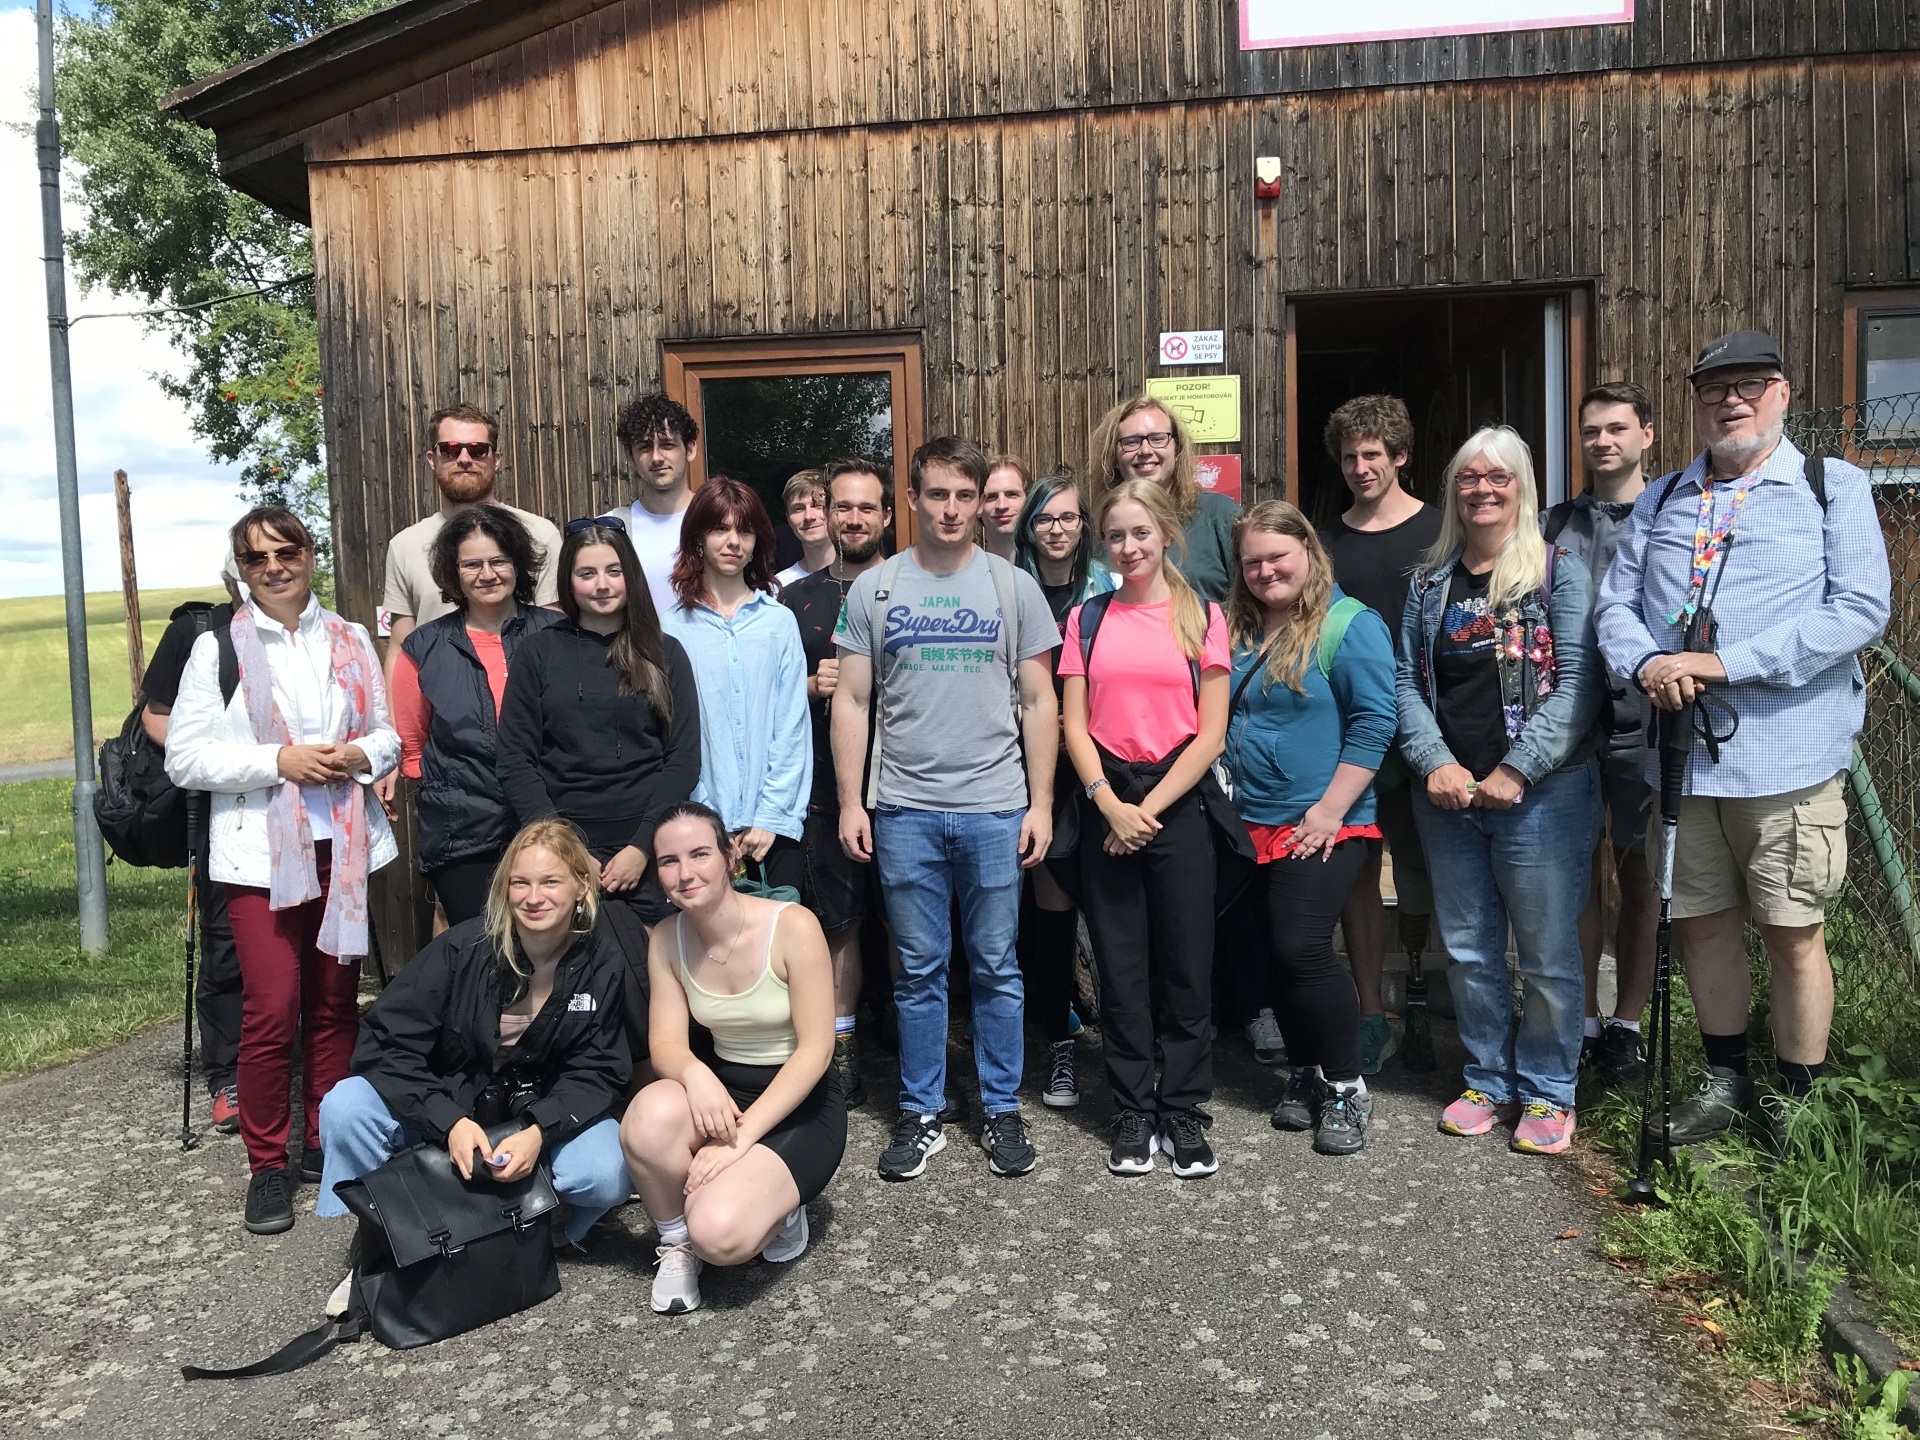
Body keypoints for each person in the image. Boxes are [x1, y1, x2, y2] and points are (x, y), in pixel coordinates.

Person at [1598, 329, 1892, 1140]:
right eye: (1713, 388)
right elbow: (1615, 605)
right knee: (1702, 924)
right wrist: (1651, 664)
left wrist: (1724, 664)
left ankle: (1799, 1103)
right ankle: (1726, 1082)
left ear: (1783, 393)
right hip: (1681, 760)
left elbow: (1860, 609)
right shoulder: (1663, 498)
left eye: (1750, 384)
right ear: (1694, 401)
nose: (1730, 400)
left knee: (1792, 932)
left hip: (1785, 760)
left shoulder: (1832, 486)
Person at [164, 506, 402, 1233]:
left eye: (285, 551)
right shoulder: (218, 649)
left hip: (343, 847)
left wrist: (361, 755)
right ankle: (267, 1165)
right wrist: (279, 761)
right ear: (240, 567)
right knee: (272, 1010)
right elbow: (185, 758)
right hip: (258, 859)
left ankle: (323, 1141)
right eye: (255, 557)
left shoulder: (350, 637)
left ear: (309, 555)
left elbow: (387, 734)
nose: (272, 567)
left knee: (334, 1005)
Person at [831, 435, 1059, 1182]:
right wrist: (852, 802)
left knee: (996, 966)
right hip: (904, 810)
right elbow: (853, 701)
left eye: (966, 495)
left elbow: (1040, 701)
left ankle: (1001, 1108)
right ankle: (921, 1110)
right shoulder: (876, 589)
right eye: (938, 494)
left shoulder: (1012, 587)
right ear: (913, 500)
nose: (953, 509)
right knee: (918, 972)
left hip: (996, 808)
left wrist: (1042, 803)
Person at [315, 818, 633, 1311]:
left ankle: (539, 1225)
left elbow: (600, 1069)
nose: (534, 897)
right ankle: (383, 1237)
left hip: (533, 1115)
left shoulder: (602, 960)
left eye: (550, 882)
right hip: (449, 1106)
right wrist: (450, 1121)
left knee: (608, 1170)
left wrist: (538, 1130)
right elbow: (384, 1045)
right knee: (346, 1105)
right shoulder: (463, 948)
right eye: (520, 882)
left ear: (581, 887)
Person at [1396, 427, 1605, 1156]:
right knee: (1468, 950)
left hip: (1544, 796)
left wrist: (1518, 768)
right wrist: (1434, 762)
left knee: (1545, 953)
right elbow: (1405, 682)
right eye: (1468, 477)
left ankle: (1549, 1090)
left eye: (1498, 477)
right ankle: (1487, 1078)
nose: (1482, 489)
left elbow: (1580, 684)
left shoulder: (1556, 573)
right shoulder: (1428, 584)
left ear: (1522, 487)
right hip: (1449, 798)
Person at [1060, 478, 1232, 1178]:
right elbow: (1074, 724)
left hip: (1176, 803)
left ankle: (1183, 1109)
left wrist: (1146, 811)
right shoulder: (1087, 619)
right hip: (1108, 800)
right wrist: (1108, 803)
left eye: (1140, 533)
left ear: (1166, 534)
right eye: (1116, 536)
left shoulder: (1204, 616)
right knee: (1121, 968)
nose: (1128, 547)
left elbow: (1211, 734)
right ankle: (1133, 1107)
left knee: (1187, 968)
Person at [620, 802, 845, 1316]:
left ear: (729, 856)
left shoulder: (793, 926)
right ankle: (675, 1243)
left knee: (718, 1236)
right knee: (644, 1120)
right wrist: (695, 1074)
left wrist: (739, 1142)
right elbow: (666, 1045)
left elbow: (816, 1050)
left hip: (801, 1104)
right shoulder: (667, 938)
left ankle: (782, 1207)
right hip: (726, 1092)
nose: (685, 873)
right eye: (669, 861)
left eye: (700, 854)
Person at [1226, 502, 1399, 1156]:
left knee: (1301, 947)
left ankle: (1348, 1086)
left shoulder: (1348, 624)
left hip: (1324, 819)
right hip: (1251, 818)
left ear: (1308, 553)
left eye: (1278, 557)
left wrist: (1329, 809)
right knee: (1274, 950)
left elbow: (1375, 722)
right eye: (1253, 562)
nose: (1266, 571)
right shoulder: (1241, 627)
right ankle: (1304, 1070)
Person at [496, 518, 702, 1058]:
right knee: (555, 979)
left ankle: (656, 1079)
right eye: (587, 573)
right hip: (564, 842)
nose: (602, 584)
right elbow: (515, 758)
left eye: (613, 571)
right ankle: (547, 1079)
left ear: (630, 575)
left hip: (647, 843)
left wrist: (642, 845)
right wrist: (565, 851)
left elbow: (683, 760)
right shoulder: (538, 653)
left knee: (653, 981)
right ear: (569, 580)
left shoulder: (664, 653)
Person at [1317, 395, 1442, 1074]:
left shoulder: (1441, 531)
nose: (1361, 467)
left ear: (1400, 456)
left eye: (1373, 454)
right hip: (1355, 732)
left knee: (1429, 873)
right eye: (1349, 457)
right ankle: (1370, 1014)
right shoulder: (1326, 545)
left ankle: (1428, 995)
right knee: (1358, 875)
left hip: (1429, 731)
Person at [1543, 381, 1661, 1087]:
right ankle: (1583, 1021)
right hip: (1571, 725)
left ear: (1647, 433)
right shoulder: (1554, 524)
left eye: (1617, 428)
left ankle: (1628, 1026)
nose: (1603, 441)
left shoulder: (1672, 513)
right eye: (1591, 431)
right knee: (1578, 875)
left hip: (1647, 722)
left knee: (1640, 874)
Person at [781, 459, 895, 1107]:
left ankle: (911, 1038)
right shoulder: (795, 599)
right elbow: (767, 695)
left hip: (907, 782)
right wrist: (809, 685)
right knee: (839, 922)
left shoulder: (911, 585)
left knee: (908, 923)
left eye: (865, 508)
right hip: (825, 788)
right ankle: (841, 1050)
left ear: (886, 516)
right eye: (841, 507)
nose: (852, 519)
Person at [389, 506, 564, 926]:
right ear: (454, 572)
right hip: (463, 834)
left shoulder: (557, 634)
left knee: (553, 945)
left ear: (518, 563)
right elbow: (412, 744)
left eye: (498, 560)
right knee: (478, 947)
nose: (487, 574)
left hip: (550, 821)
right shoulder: (423, 647)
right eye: (472, 564)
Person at [1011, 470, 1115, 1107]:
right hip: (1025, 766)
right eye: (1045, 518)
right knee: (1048, 914)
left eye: (1068, 518)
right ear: (1029, 526)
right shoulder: (1007, 586)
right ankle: (1059, 1044)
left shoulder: (1108, 587)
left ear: (1083, 526)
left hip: (1101, 765)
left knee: (1108, 906)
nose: (1056, 529)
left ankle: (1127, 1046)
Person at [659, 477, 812, 895]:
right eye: (719, 529)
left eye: (744, 531)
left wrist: (771, 816)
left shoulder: (778, 622)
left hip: (774, 831)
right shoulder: (671, 629)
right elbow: (672, 733)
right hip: (698, 831)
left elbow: (792, 726)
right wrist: (708, 822)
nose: (733, 542)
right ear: (697, 538)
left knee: (779, 932)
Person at [138, 560, 248, 1133]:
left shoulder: (315, 631)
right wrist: (216, 758)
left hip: (299, 809)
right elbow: (156, 716)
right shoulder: (198, 630)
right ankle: (228, 1073)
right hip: (218, 809)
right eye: (250, 568)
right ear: (232, 580)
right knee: (226, 940)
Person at [381, 403, 563, 676]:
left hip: (523, 694)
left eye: (478, 450)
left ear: (496, 459)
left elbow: (555, 633)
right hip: (439, 696)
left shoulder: (539, 534)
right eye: (450, 450)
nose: (464, 459)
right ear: (432, 459)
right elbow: (400, 649)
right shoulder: (404, 545)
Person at [1088, 396, 1239, 602]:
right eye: (1131, 442)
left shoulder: (1220, 515)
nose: (1145, 450)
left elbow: (1250, 601)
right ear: (1113, 455)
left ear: (1177, 449)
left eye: (1158, 438)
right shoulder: (1097, 528)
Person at [621, 394, 702, 619]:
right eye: (645, 447)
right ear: (630, 455)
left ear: (690, 449)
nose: (656, 457)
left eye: (667, 445)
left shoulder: (720, 522)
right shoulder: (613, 530)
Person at [774, 469, 832, 589]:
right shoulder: (776, 588)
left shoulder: (862, 578)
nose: (809, 516)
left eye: (818, 505)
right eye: (798, 509)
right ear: (788, 519)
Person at [982, 455, 1031, 562]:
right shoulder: (970, 571)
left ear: (1028, 499)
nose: (1002, 505)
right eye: (991, 497)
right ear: (978, 506)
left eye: (1012, 494)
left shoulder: (1049, 569)